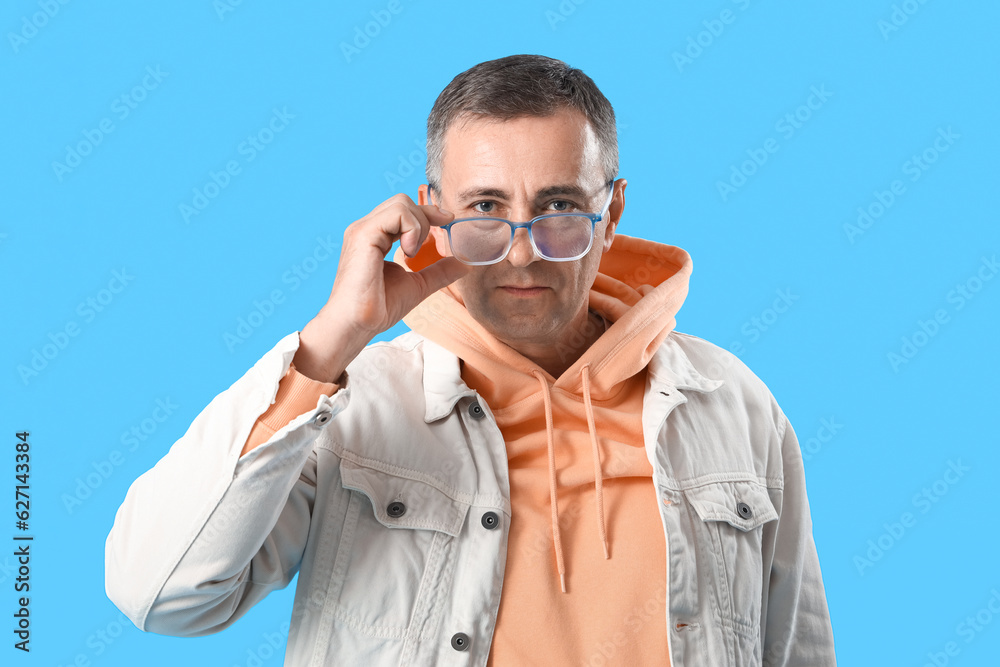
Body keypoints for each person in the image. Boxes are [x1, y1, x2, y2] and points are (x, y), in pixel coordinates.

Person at [105, 54, 836, 666]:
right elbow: (160, 594)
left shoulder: (732, 403)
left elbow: (800, 649)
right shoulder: (351, 403)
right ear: (432, 213)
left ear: (610, 214)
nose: (521, 250)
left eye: (557, 208)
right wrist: (331, 339)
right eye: (485, 208)